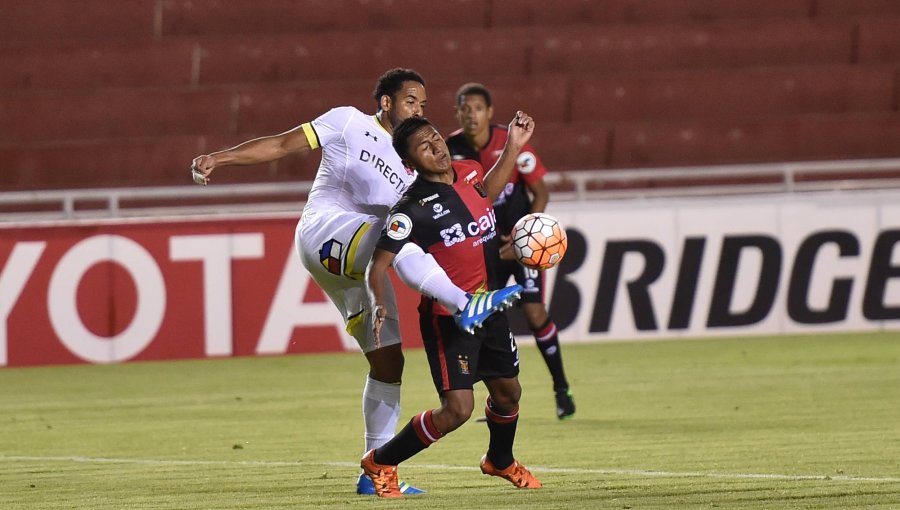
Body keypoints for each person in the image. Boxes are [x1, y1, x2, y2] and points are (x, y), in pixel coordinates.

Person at [189, 69, 522, 495]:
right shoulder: (348, 121)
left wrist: (498, 244)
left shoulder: (413, 168)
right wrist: (221, 158)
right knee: (396, 238)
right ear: (385, 102)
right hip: (325, 231)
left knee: (389, 363)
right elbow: (282, 143)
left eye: (423, 104)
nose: (419, 109)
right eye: (410, 100)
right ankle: (464, 303)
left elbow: (453, 226)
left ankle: (374, 474)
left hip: (360, 266)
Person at [362, 113, 542, 498]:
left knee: (509, 393)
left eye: (436, 138)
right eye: (424, 147)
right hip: (450, 319)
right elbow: (377, 265)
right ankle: (380, 461)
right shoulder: (410, 209)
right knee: (458, 409)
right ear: (410, 164)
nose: (436, 147)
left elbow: (484, 194)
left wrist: (513, 146)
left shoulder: (469, 170)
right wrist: (379, 303)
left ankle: (500, 460)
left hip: (489, 306)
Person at [446, 83, 576, 419]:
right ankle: (486, 394)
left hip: (518, 245)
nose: (470, 113)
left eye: (477, 107)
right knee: (478, 313)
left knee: (534, 315)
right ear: (458, 112)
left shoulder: (513, 142)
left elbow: (540, 194)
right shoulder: (451, 148)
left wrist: (523, 238)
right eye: (464, 107)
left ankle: (561, 387)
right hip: (485, 246)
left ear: (489, 112)